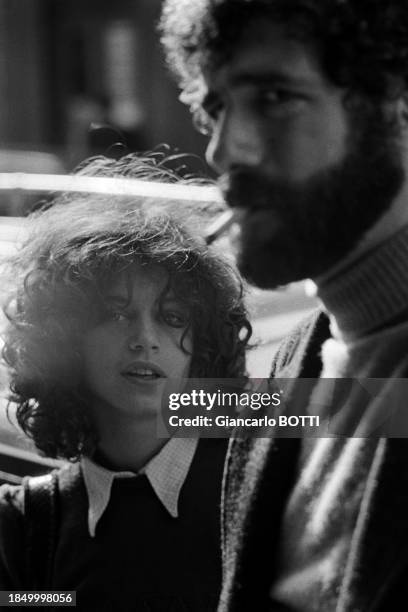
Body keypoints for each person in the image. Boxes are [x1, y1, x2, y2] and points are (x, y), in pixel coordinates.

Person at [160, 1, 408, 610]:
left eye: (273, 96)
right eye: (214, 108)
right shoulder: (291, 372)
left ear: (397, 107)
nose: (225, 150)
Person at [0, 154, 252, 610]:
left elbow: (387, 407)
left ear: (203, 342)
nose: (145, 340)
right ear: (65, 339)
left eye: (172, 317)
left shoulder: (259, 471)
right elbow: (24, 602)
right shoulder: (28, 524)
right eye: (114, 314)